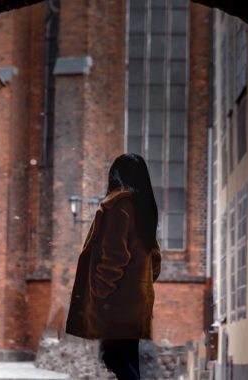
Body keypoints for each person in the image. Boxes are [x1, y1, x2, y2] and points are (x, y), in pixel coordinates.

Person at [66, 153, 162, 380]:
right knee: (128, 359)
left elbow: (113, 256)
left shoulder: (118, 205)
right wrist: (139, 284)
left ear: (117, 175)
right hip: (136, 304)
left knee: (112, 357)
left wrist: (100, 294)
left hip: (116, 303)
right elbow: (155, 260)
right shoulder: (143, 210)